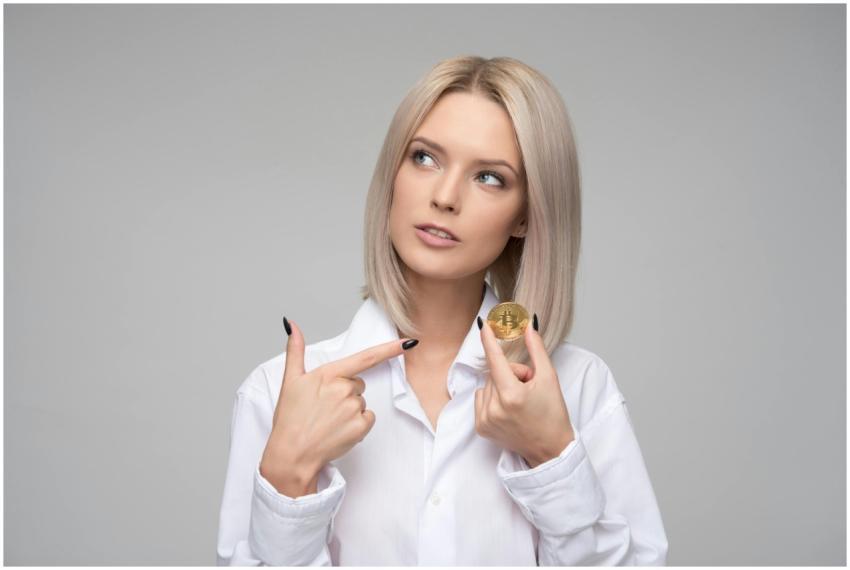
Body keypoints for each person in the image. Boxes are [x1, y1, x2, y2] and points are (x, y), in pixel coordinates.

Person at [216, 55, 669, 566]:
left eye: (490, 178)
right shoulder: (277, 394)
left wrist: (553, 457)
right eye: (425, 158)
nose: (445, 197)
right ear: (393, 172)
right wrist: (288, 479)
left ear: (525, 215)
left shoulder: (581, 388)